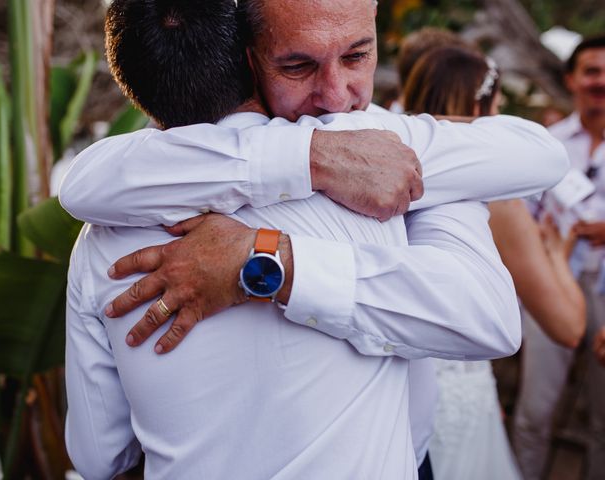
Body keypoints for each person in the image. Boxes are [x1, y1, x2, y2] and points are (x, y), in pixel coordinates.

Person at [62, 0, 569, 477]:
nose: (336, 96)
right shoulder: (370, 153)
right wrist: (310, 159)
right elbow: (421, 417)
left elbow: (99, 457)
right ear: (249, 57)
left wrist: (266, 257)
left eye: (357, 55)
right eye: (297, 66)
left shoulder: (100, 239)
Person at [403, 45, 586, 480]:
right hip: (455, 392)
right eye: (499, 109)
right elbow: (569, 327)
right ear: (478, 108)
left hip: (392, 394)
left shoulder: (381, 171)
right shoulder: (495, 198)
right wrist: (557, 253)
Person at [512, 34, 605, 480]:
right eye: (591, 71)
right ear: (571, 79)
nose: (600, 81)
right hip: (552, 282)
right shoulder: (546, 143)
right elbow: (522, 215)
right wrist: (543, 236)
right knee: (535, 410)